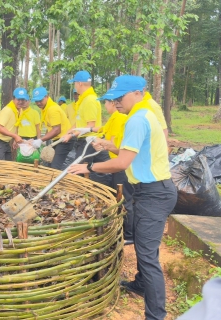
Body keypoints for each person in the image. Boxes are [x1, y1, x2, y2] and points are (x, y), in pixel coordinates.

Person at [68, 75, 177, 320]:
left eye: (120, 97)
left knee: (148, 257)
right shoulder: (143, 114)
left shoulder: (137, 119)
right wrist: (108, 146)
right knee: (143, 244)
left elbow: (123, 163)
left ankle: (156, 315)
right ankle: (140, 284)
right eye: (113, 98)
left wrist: (89, 168)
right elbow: (132, 150)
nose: (116, 102)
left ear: (138, 93)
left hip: (155, 193)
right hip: (148, 190)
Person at [89, 96, 134, 244]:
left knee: (125, 199)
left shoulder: (119, 118)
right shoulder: (114, 118)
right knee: (120, 197)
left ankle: (129, 235)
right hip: (117, 160)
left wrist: (104, 143)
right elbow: (105, 134)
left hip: (120, 163)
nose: (105, 106)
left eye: (106, 103)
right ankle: (125, 231)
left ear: (112, 103)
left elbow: (115, 144)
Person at [63, 70, 111, 166]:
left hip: (90, 141)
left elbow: (90, 125)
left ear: (80, 83)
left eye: (75, 83)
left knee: (78, 169)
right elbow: (78, 123)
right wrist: (67, 133)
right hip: (83, 140)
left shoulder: (90, 100)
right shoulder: (83, 100)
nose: (74, 86)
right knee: (83, 169)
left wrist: (72, 135)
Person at [31, 87, 72, 169]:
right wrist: (40, 138)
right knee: (49, 163)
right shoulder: (45, 109)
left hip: (65, 139)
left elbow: (57, 129)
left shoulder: (52, 109)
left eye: (40, 100)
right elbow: (49, 128)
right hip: (57, 140)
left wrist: (41, 140)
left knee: (55, 166)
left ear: (46, 96)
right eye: (36, 101)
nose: (38, 103)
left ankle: (57, 180)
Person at [0, 88, 27, 161]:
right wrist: (15, 136)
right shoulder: (7, 110)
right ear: (14, 99)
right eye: (18, 99)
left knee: (9, 164)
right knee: (0, 166)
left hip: (5, 141)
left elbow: (16, 125)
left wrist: (15, 138)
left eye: (23, 100)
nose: (20, 102)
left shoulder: (20, 110)